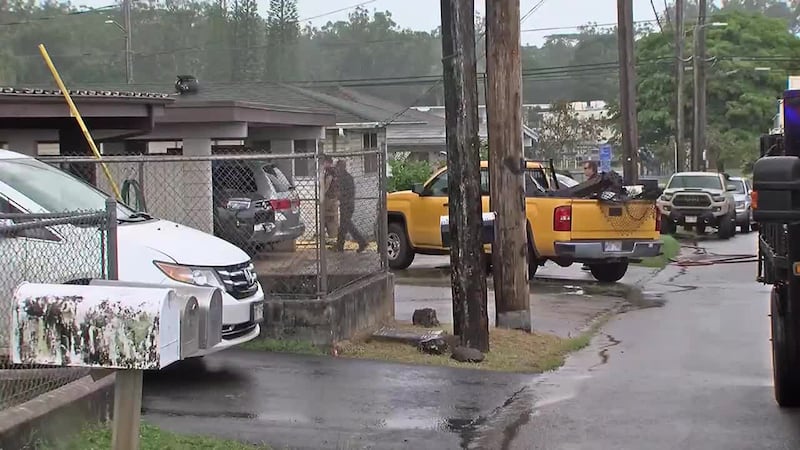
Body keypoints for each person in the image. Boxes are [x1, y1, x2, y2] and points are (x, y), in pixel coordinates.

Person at [335, 159, 368, 253]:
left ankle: (360, 242)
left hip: (347, 204)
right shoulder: (343, 177)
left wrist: (340, 195)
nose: (337, 169)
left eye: (338, 167)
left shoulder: (346, 178)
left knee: (345, 225)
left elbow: (348, 192)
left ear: (341, 167)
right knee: (346, 225)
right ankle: (341, 246)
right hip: (346, 204)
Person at [322, 156, 339, 243]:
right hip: (334, 197)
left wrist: (322, 194)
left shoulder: (330, 171)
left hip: (329, 197)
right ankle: (332, 237)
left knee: (327, 217)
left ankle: (331, 237)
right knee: (331, 217)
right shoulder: (335, 171)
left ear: (327, 162)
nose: (322, 164)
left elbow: (327, 184)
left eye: (323, 162)